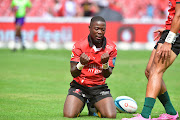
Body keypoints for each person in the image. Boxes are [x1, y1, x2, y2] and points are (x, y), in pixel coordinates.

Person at [122, 0, 180, 120]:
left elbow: (179, 15)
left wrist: (169, 40)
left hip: (174, 36)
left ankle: (145, 115)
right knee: (149, 71)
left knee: (156, 71)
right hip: (170, 32)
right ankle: (171, 113)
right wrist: (167, 29)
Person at [63, 16, 117, 118]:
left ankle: (93, 106)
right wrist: (81, 64)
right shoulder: (79, 45)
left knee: (111, 116)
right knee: (69, 115)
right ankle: (83, 102)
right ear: (89, 28)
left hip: (99, 87)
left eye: (103, 29)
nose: (100, 32)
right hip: (80, 86)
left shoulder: (111, 47)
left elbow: (107, 74)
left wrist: (105, 64)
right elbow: (73, 73)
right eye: (96, 29)